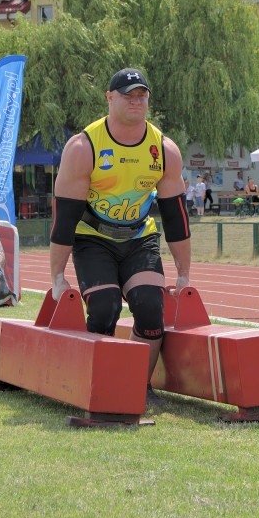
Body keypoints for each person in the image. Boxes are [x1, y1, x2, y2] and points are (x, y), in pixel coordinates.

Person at [48, 67, 191, 408]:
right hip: (92, 238)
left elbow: (176, 218)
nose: (136, 101)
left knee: (150, 308)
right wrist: (57, 277)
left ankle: (140, 387)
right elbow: (65, 218)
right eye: (128, 95)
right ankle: (98, 384)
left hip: (139, 238)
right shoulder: (83, 147)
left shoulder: (164, 149)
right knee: (104, 307)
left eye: (142, 95)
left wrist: (184, 272)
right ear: (110, 98)